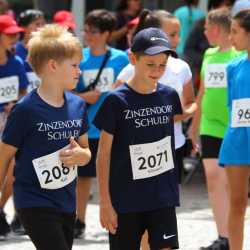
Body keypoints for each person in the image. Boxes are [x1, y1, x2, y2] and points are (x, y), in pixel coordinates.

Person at [0, 24, 91, 250]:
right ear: (52, 65)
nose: (79, 71)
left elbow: (87, 151)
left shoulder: (78, 105)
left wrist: (82, 155)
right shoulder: (25, 110)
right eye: (74, 65)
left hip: (67, 202)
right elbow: (3, 157)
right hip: (33, 201)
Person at [94, 27, 182, 250]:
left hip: (162, 197)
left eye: (162, 65)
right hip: (126, 200)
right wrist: (105, 202)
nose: (157, 70)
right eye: (150, 64)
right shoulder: (116, 101)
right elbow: (103, 154)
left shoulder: (169, 96)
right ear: (133, 58)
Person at [189, 7, 244, 250]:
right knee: (213, 178)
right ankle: (223, 237)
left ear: (216, 29)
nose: (203, 32)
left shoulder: (237, 55)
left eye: (206, 27)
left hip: (234, 126)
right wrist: (194, 125)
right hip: (210, 124)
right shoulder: (209, 55)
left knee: (234, 187)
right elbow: (202, 92)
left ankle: (232, 235)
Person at [74, 9, 129, 239]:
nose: (87, 35)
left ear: (107, 33)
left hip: (114, 128)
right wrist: (84, 97)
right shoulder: (79, 57)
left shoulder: (121, 58)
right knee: (82, 177)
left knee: (116, 176)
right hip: (85, 126)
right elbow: (66, 91)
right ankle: (79, 221)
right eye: (85, 30)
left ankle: (117, 218)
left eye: (93, 31)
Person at [218, 9, 250, 250]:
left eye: (236, 32)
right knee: (237, 203)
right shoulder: (232, 66)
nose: (230, 38)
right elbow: (232, 105)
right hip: (237, 139)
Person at [0, 14, 29, 239]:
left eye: (15, 33)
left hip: (10, 123)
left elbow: (22, 92)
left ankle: (0, 209)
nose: (14, 37)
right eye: (8, 34)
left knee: (12, 175)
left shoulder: (17, 62)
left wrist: (15, 104)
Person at [16, 9, 45, 93]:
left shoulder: (48, 50)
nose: (41, 28)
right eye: (37, 24)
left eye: (43, 24)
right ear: (23, 27)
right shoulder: (14, 51)